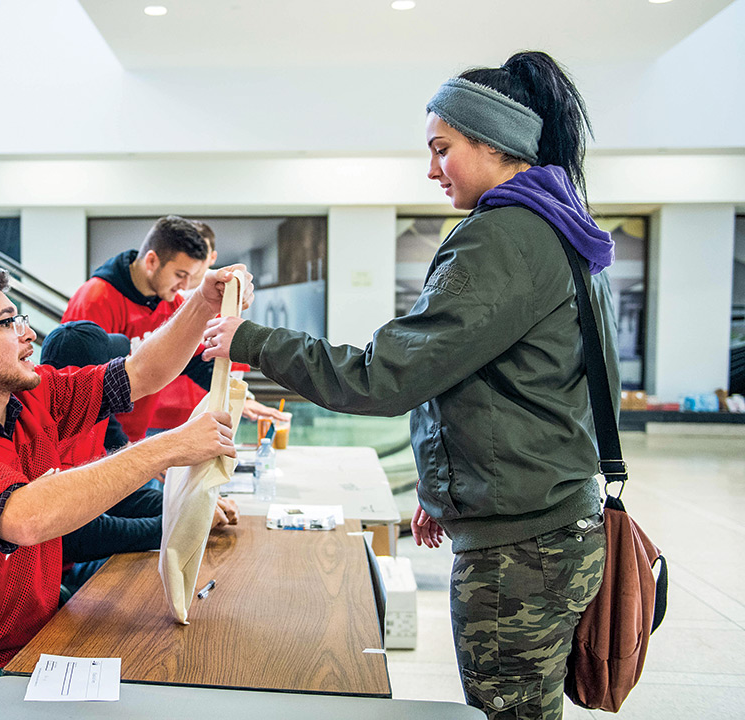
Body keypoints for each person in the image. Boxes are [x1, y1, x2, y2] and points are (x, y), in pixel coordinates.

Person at [203, 51, 617, 720]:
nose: (431, 169)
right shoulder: (560, 229)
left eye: (442, 148)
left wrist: (251, 340)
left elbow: (387, 376)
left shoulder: (503, 237)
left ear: (495, 142)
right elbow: (492, 383)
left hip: (520, 547)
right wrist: (447, 487)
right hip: (549, 525)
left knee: (508, 711)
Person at [0, 259, 251, 720]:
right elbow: (26, 519)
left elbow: (143, 373)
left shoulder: (26, 400)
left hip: (32, 647)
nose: (29, 335)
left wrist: (200, 304)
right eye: (10, 323)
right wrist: (164, 449)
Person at [40, 320, 238, 597]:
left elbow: (118, 494)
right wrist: (174, 526)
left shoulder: (96, 417)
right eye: (111, 365)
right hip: (53, 580)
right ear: (86, 376)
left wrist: (189, 505)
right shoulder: (48, 436)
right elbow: (77, 536)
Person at [65, 216, 284, 442]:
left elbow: (194, 361)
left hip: (135, 439)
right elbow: (82, 394)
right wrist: (122, 447)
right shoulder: (95, 300)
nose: (185, 286)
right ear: (151, 261)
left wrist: (241, 397)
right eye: (180, 275)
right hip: (95, 446)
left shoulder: (170, 300)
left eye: (190, 277)